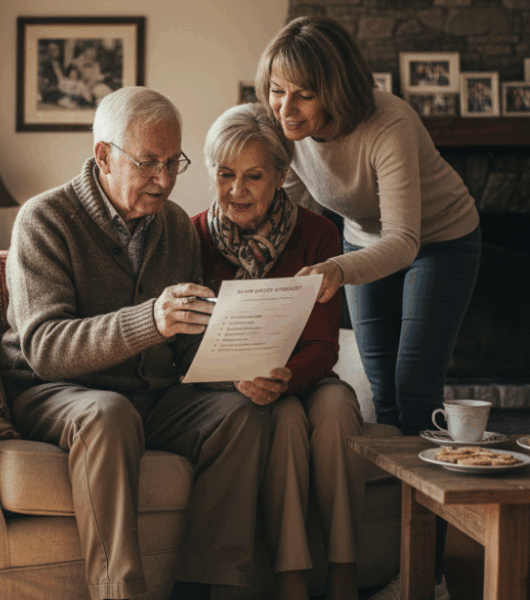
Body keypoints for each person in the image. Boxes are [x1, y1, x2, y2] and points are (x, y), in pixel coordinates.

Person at [0, 86, 285, 600]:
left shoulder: (174, 225)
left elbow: (187, 347)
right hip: (57, 393)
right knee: (109, 413)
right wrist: (149, 321)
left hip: (152, 397)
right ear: (104, 156)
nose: (164, 180)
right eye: (148, 162)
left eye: (173, 162)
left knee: (241, 414)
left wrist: (236, 371)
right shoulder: (44, 219)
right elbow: (44, 348)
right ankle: (119, 592)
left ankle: (208, 588)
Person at [256, 15, 481, 600]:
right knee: (381, 399)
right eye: (277, 90)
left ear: (337, 87)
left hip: (440, 239)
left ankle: (428, 577)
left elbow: (405, 240)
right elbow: (296, 195)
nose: (286, 108)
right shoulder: (284, 127)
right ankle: (398, 561)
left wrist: (333, 268)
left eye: (304, 94)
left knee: (414, 389)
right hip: (363, 240)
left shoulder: (389, 122)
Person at [192, 102, 365, 600]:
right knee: (285, 420)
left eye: (253, 176)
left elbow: (322, 343)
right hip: (234, 386)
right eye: (225, 174)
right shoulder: (190, 234)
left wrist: (287, 377)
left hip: (303, 374)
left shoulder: (319, 234)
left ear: (281, 176)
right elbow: (191, 341)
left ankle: (344, 570)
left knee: (337, 406)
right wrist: (236, 380)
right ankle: (292, 579)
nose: (237, 191)